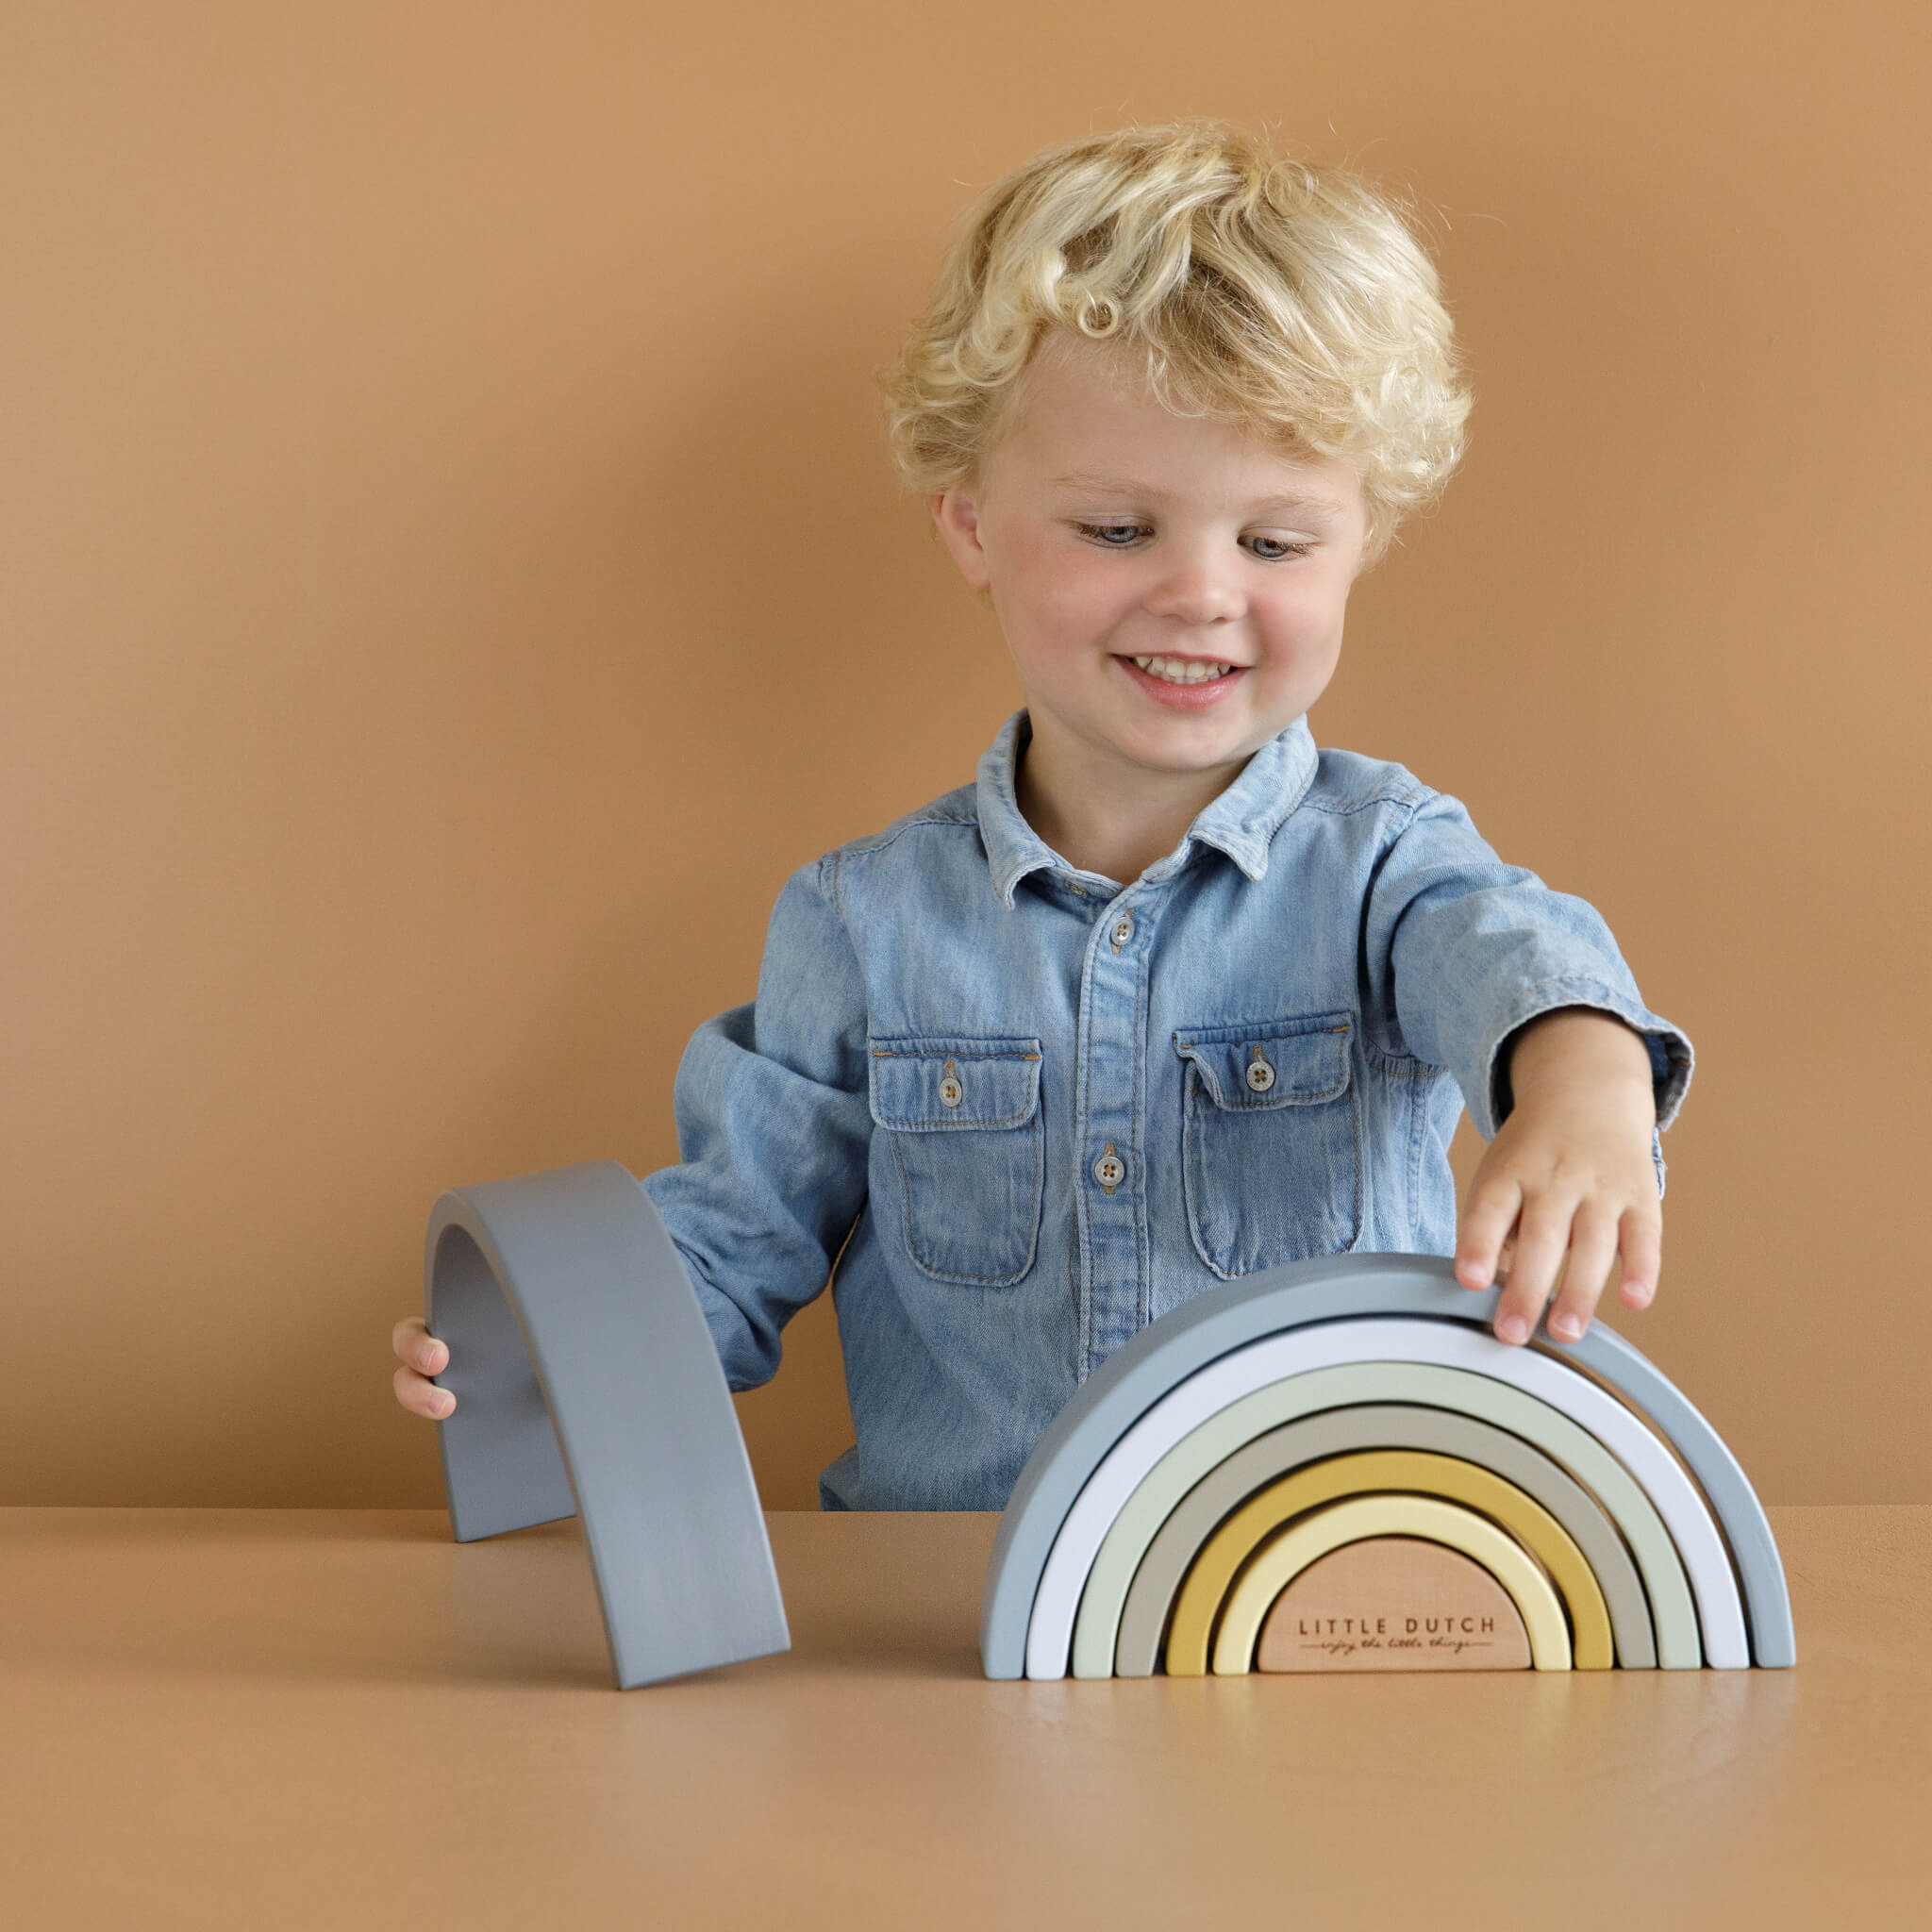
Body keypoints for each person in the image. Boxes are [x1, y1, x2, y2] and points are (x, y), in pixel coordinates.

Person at [392, 122, 1691, 1511]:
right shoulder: (863, 919)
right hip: (951, 1600)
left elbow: (1512, 955)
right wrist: (552, 1348)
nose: (1202, 594)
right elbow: (731, 1240)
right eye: (1118, 530)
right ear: (970, 524)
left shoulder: (1384, 865)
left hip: (1304, 1586)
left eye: (1273, 541)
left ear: (1358, 538)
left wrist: (1587, 1080)